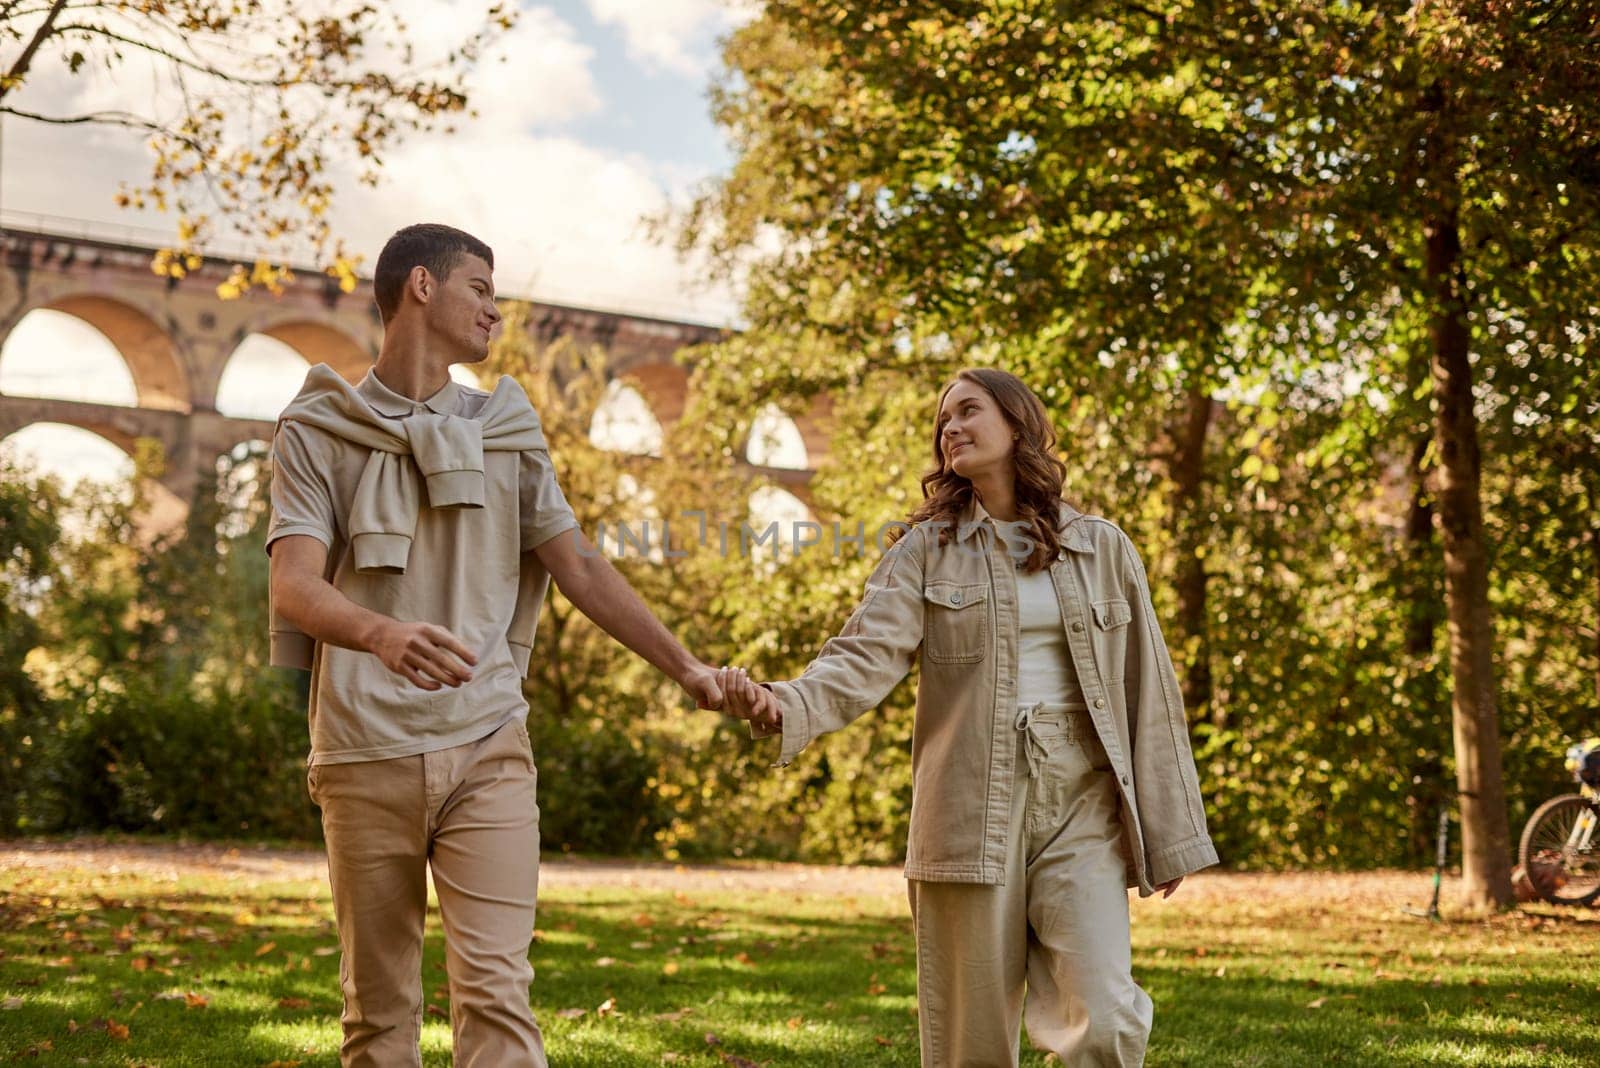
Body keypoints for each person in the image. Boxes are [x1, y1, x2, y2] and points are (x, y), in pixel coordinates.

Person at [265, 223, 725, 1067]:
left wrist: (687, 668)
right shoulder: (319, 427)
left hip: (487, 743)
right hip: (364, 750)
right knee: (377, 1014)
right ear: (421, 287)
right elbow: (294, 584)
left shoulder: (505, 427)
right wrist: (380, 632)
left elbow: (580, 567)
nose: (495, 311)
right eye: (481, 287)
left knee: (498, 994)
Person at [721, 367, 1218, 1067]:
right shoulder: (926, 550)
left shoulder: (1102, 546)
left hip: (1082, 801)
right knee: (970, 1044)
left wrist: (1169, 832)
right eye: (942, 420)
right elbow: (862, 656)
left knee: (1105, 1016)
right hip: (965, 806)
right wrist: (784, 703)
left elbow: (1150, 692)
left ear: (1017, 423)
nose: (950, 427)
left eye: (968, 410)